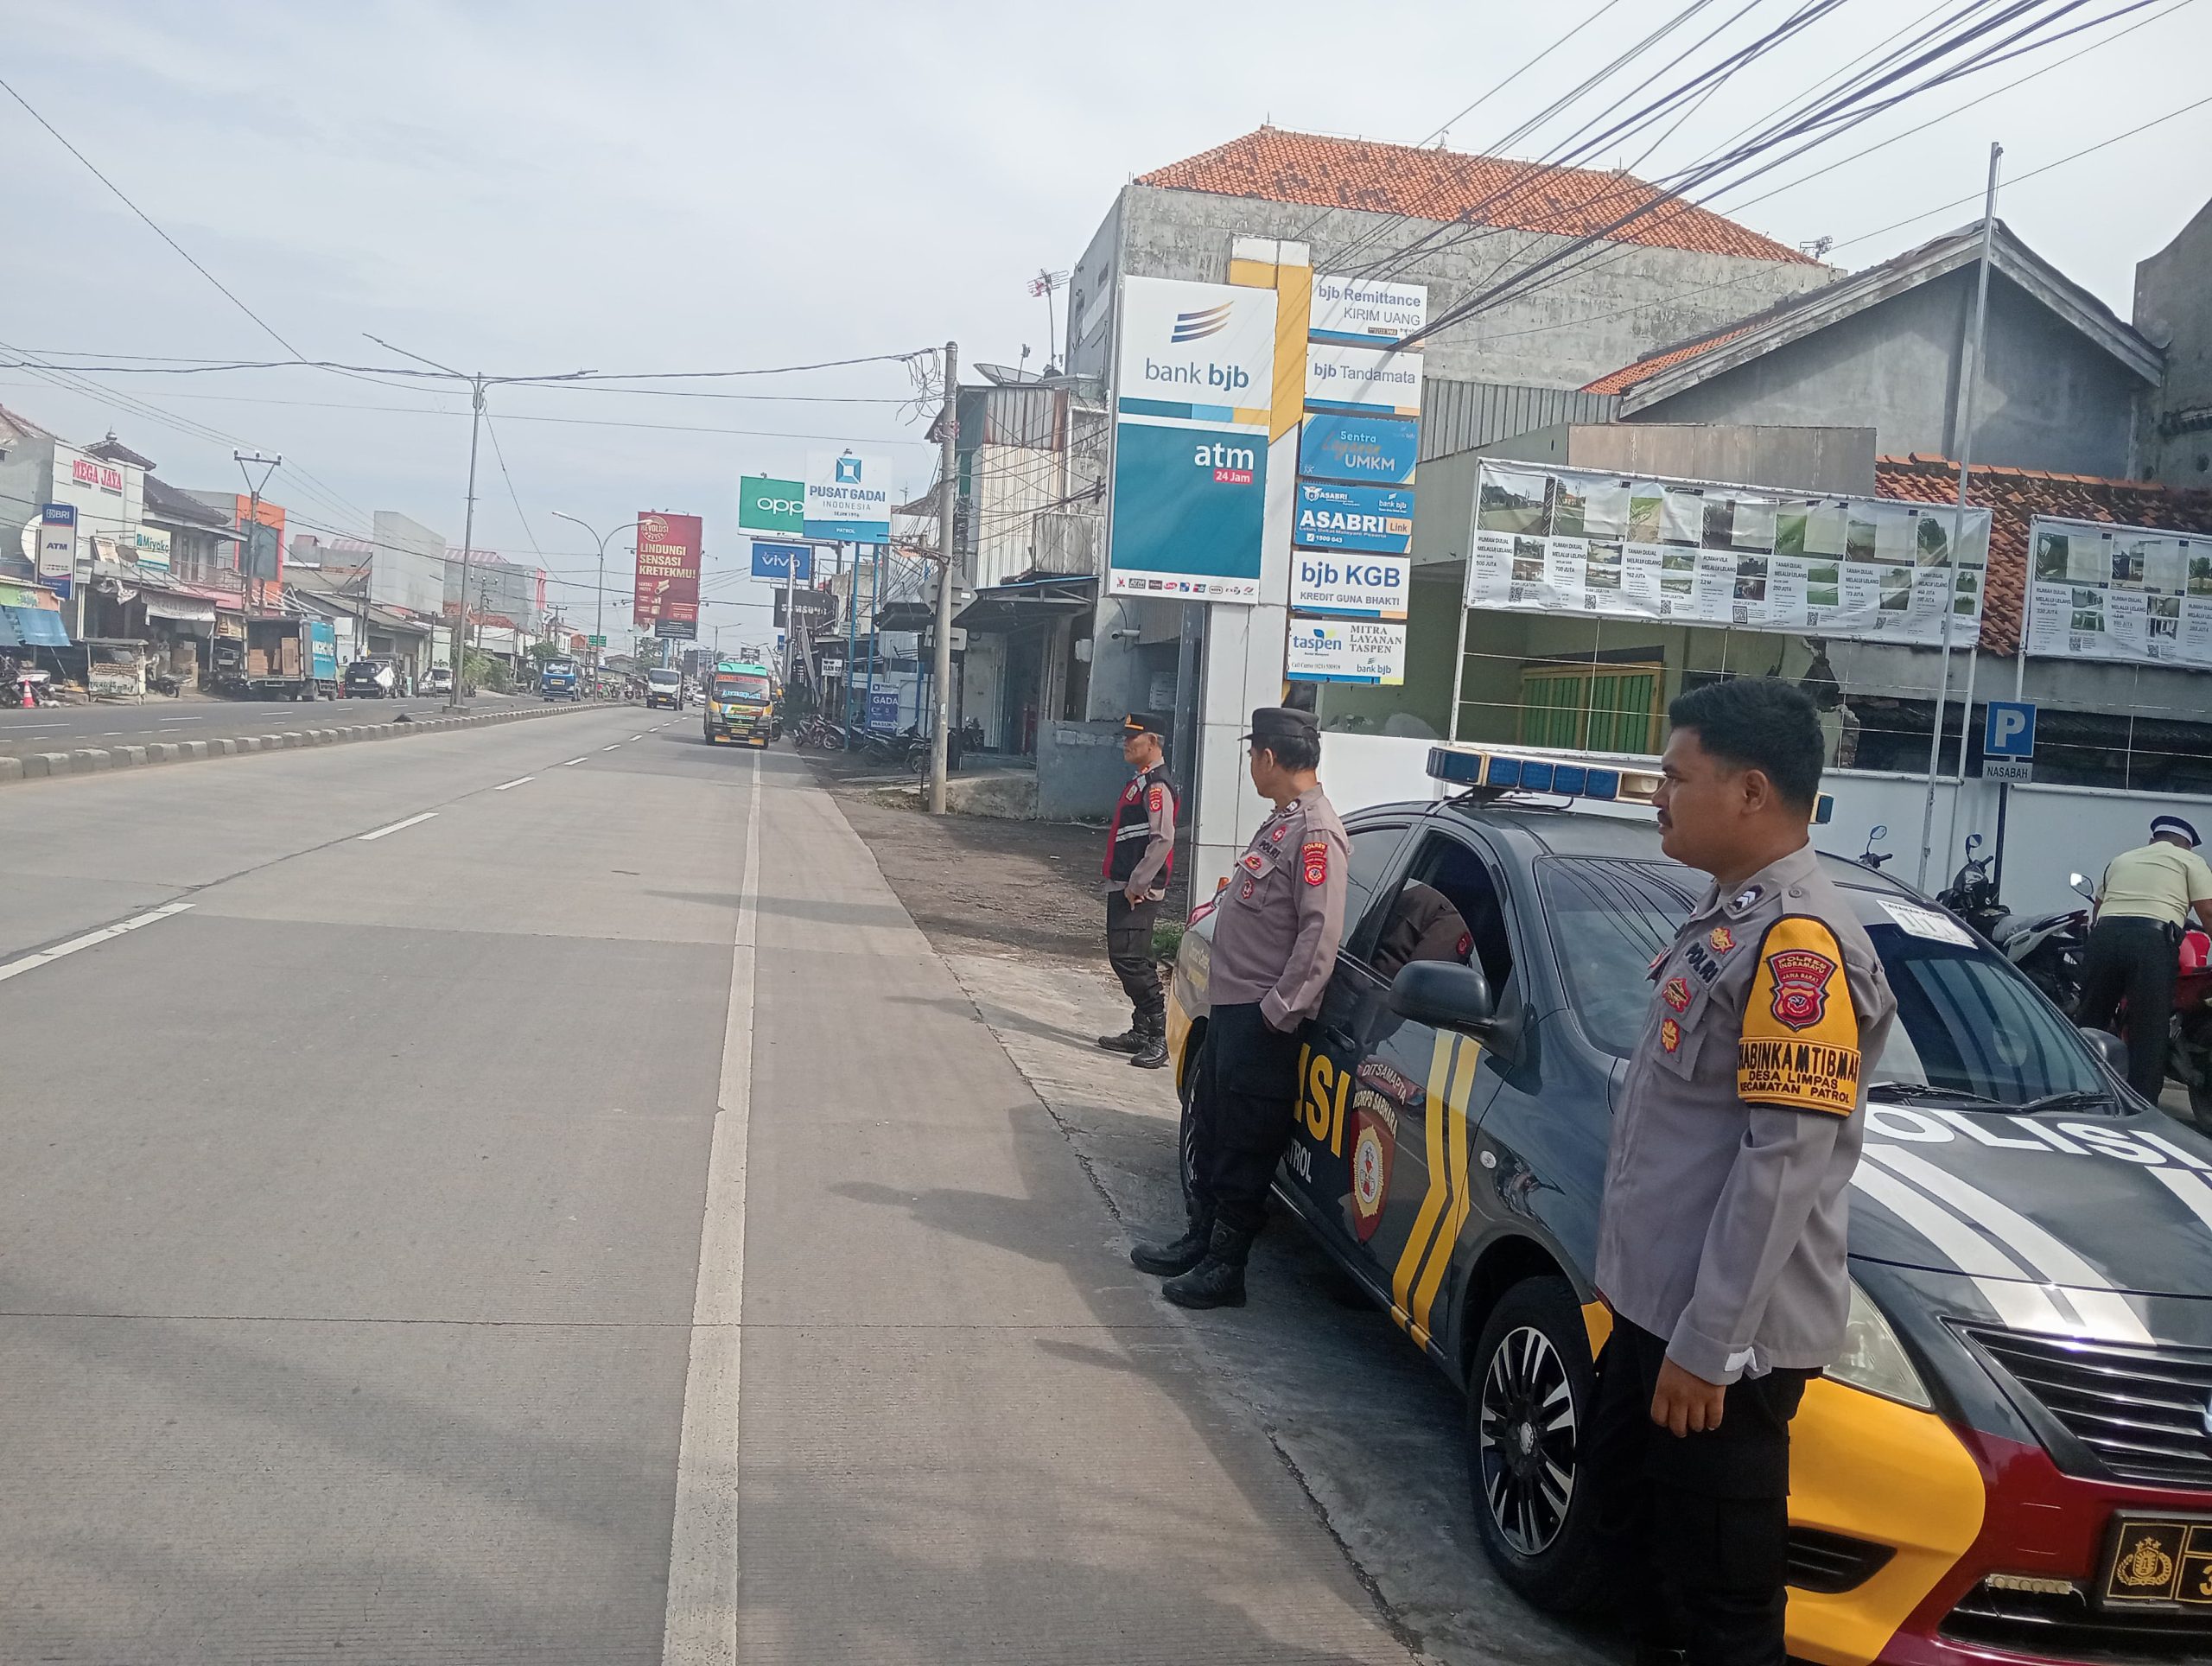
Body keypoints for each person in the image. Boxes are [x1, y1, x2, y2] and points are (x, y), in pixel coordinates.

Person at [1586, 678, 1897, 1666]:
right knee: (1633, 1548)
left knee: (1722, 1594)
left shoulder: (1798, 943)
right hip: (1657, 1310)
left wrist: (1708, 1344)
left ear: (1751, 790)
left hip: (1721, 1342)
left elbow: (1782, 1163)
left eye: (1676, 777)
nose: (1658, 797)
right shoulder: (1730, 915)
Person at [1129, 706, 1349, 1309]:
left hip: (1261, 1017)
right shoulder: (1283, 821)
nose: (1251, 764)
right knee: (1213, 1130)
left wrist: (1278, 1011)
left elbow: (1319, 936)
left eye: (1253, 754)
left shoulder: (1316, 833)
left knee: (1244, 1145)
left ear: (1270, 757)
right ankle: (1200, 1240)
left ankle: (1226, 1269)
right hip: (1232, 1008)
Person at [2078, 814, 2212, 1098]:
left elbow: (2098, 909)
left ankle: (2079, 1090)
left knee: (2090, 1018)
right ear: (2187, 845)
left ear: (2153, 840)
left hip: (2105, 938)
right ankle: (2142, 1103)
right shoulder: (2191, 861)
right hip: (2150, 942)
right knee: (2149, 1029)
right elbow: (2208, 912)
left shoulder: (2122, 860)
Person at [1096, 713, 1179, 1070]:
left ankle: (1160, 1034)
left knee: (1127, 959)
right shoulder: (1142, 781)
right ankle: (1141, 1029)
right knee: (1137, 957)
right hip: (1126, 884)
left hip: (1138, 890)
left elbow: (1163, 840)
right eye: (1125, 737)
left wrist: (1138, 883)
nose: (1126, 743)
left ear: (1153, 742)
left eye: (1134, 738)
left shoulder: (1157, 786)